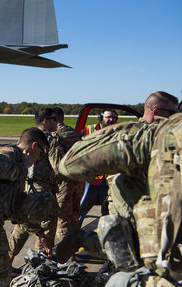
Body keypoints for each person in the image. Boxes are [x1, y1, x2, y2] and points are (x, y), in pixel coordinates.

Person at [57, 111, 182, 286]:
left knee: (126, 247)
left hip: (137, 206)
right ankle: (81, 240)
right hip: (103, 188)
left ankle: (84, 240)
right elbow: (70, 163)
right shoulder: (151, 136)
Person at [0, 127, 54, 287]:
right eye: (41, 153)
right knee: (0, 274)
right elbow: (1, 171)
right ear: (34, 146)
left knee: (0, 271)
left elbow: (17, 209)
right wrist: (23, 167)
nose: (38, 159)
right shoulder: (10, 153)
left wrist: (40, 233)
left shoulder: (17, 161)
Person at [9, 108, 63, 265]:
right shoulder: (51, 141)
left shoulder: (28, 136)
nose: (57, 122)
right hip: (43, 192)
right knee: (45, 232)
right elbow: (58, 167)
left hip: (27, 188)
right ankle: (39, 265)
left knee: (22, 227)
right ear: (45, 121)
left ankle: (8, 259)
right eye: (54, 119)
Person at [78, 109, 118, 225]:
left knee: (108, 213)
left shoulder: (117, 131)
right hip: (90, 180)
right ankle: (73, 237)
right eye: (107, 117)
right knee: (80, 211)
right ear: (101, 118)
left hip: (107, 181)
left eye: (113, 117)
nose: (110, 120)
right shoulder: (88, 130)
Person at [52, 107, 82, 240]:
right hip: (78, 180)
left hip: (63, 182)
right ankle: (74, 247)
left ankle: (66, 257)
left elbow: (56, 165)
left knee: (63, 219)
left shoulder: (54, 135)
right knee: (75, 215)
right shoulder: (75, 133)